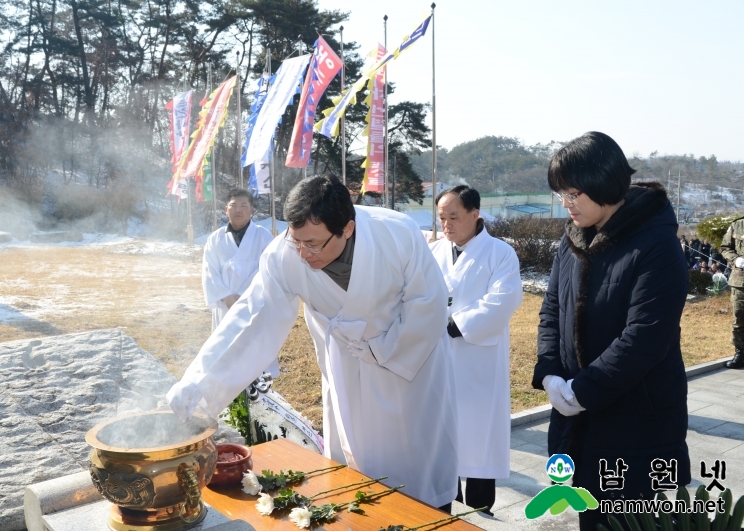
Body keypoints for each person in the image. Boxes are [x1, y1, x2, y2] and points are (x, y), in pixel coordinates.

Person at [167, 175, 459, 509]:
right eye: (297, 241)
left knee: (417, 469)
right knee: (359, 475)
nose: (304, 253)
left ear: (347, 229)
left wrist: (382, 347)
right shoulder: (284, 255)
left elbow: (429, 304)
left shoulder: (397, 233)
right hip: (346, 368)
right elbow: (250, 320)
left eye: (314, 244)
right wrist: (196, 387)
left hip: (410, 366)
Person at [532, 132, 689, 531]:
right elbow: (552, 308)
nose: (565, 205)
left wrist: (584, 390)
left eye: (573, 194)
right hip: (578, 413)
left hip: (634, 415)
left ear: (603, 184)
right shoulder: (573, 239)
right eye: (560, 195)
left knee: (624, 520)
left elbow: (646, 335)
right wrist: (550, 370)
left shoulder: (655, 244)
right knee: (590, 513)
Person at [429, 185, 522, 515]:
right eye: (442, 218)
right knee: (443, 436)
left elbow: (502, 300)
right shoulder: (435, 252)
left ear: (474, 213)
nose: (447, 225)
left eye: (454, 217)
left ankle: (482, 509)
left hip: (478, 359)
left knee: (480, 436)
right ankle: (445, 502)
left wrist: (455, 324)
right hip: (438, 358)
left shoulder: (500, 253)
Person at [201, 189, 277, 375]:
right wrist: (226, 296)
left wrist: (244, 294)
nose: (238, 210)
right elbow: (209, 271)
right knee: (226, 350)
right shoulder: (215, 238)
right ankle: (230, 395)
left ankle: (258, 390)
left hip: (253, 301)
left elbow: (267, 268)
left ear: (252, 210)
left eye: (244, 205)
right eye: (233, 205)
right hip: (225, 304)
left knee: (253, 348)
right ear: (226, 209)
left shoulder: (264, 236)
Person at [721, 215, 744, 369]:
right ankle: (740, 353)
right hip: (740, 281)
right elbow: (725, 247)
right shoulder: (738, 225)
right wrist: (735, 259)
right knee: (739, 319)